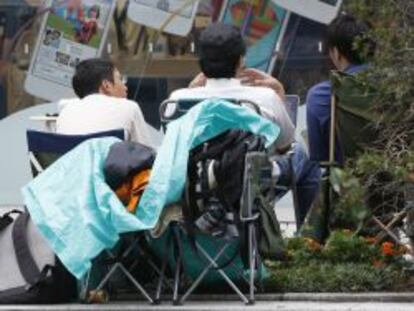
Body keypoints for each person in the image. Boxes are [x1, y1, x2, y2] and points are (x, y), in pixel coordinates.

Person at [170, 23, 320, 225]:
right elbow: (285, 146)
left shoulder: (177, 100)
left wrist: (190, 91)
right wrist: (279, 93)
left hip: (199, 190)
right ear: (240, 60)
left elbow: (176, 150)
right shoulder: (264, 97)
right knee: (303, 156)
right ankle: (310, 240)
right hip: (250, 190)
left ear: (201, 62)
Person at [306, 14, 374, 164]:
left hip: (349, 184)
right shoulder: (399, 86)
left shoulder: (320, 96)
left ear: (336, 52)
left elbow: (320, 159)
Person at [56, 58, 155, 148]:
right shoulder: (128, 107)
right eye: (120, 79)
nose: (125, 87)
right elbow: (146, 153)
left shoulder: (65, 112)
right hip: (109, 167)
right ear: (106, 85)